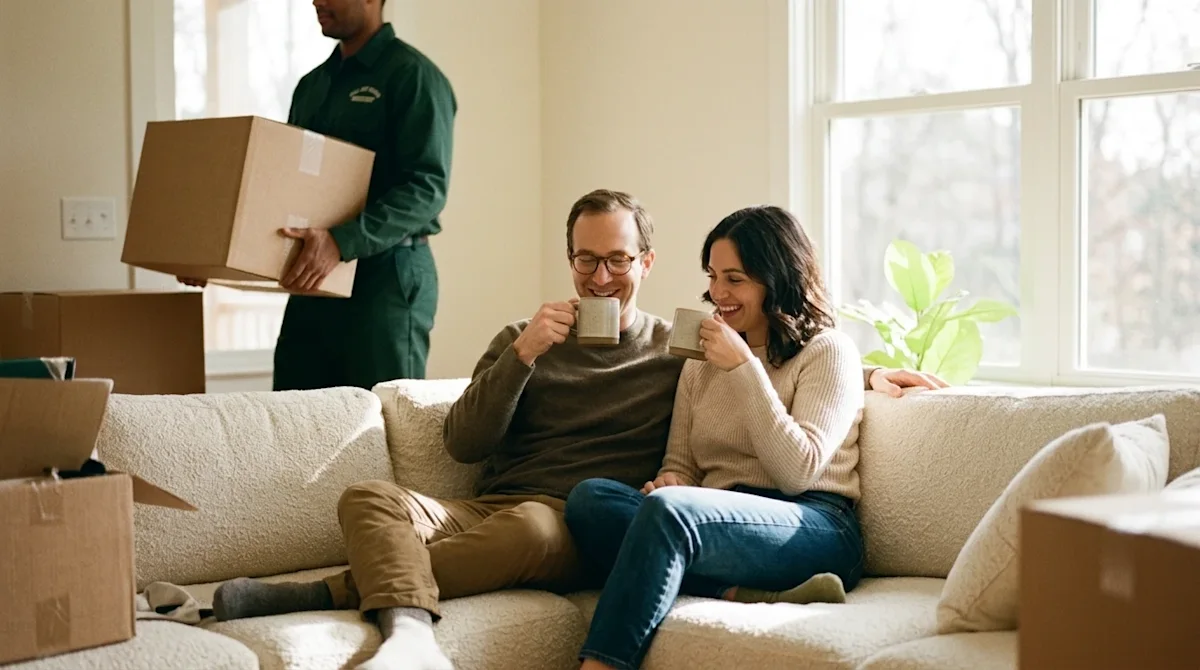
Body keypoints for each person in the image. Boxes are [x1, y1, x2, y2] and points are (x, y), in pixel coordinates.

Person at [206, 190, 945, 670]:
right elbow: (465, 443)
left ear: (644, 263)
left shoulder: (682, 346)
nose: (600, 278)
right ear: (569, 262)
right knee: (375, 496)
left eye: (617, 259)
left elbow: (801, 409)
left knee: (569, 516)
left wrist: (871, 375)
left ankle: (341, 597)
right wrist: (524, 355)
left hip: (602, 526)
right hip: (528, 507)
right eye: (586, 260)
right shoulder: (549, 338)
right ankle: (407, 624)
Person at [565, 205, 874, 670]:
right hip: (721, 519)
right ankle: (734, 591)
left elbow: (797, 471)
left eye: (735, 279)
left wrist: (745, 368)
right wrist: (672, 480)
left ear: (776, 279)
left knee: (669, 513)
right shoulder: (702, 361)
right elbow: (681, 464)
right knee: (590, 500)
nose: (717, 293)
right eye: (712, 276)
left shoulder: (827, 351)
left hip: (815, 524)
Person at [180, 0, 456, 392]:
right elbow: (285, 186)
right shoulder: (312, 85)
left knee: (383, 416)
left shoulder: (413, 76)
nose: (317, 1)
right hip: (314, 277)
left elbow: (426, 188)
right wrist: (215, 254)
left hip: (385, 280)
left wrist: (341, 242)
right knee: (296, 413)